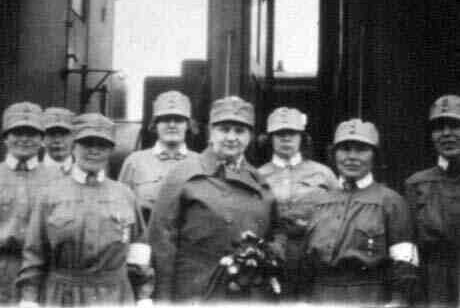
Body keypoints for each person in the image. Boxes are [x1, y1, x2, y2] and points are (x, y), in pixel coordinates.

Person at [148, 96, 277, 303]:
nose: (232, 137)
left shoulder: (259, 181)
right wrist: (163, 298)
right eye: (224, 129)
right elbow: (162, 241)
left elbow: (273, 233)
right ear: (211, 132)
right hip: (196, 290)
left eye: (240, 131)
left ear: (250, 136)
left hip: (246, 292)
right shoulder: (183, 174)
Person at [17, 113, 152, 306]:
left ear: (111, 150)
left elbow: (138, 249)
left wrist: (144, 295)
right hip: (62, 295)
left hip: (114, 295)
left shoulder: (125, 195)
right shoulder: (50, 195)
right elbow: (34, 253)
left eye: (102, 145)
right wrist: (29, 298)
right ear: (73, 146)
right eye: (87, 143)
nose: (94, 151)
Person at [304, 119, 418, 305]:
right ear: (334, 155)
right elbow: (306, 263)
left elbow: (405, 262)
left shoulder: (390, 201)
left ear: (375, 156)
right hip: (322, 295)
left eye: (361, 149)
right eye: (345, 149)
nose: (352, 157)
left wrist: (398, 301)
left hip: (368, 295)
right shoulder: (320, 201)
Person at [0, 102, 61, 305]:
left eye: (32, 133)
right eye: (17, 132)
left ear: (42, 139)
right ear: (5, 138)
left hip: (43, 271)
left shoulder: (59, 180)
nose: (24, 139)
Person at [258, 107, 336, 298]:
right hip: (274, 254)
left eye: (292, 133)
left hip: (314, 253)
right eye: (279, 134)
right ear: (270, 139)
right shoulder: (258, 175)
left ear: (302, 137)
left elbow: (340, 211)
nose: (286, 138)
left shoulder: (323, 174)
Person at [405, 94, 460, 307]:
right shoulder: (416, 184)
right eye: (439, 128)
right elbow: (408, 246)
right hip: (432, 283)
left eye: (455, 125)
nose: (447, 134)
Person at [118, 90, 198, 226]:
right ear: (155, 125)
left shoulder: (200, 163)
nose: (172, 125)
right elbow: (120, 209)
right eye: (165, 119)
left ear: (188, 125)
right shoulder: (135, 162)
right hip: (145, 243)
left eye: (178, 120)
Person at [42, 107, 75, 173]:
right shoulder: (28, 167)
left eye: (64, 134)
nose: (58, 140)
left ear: (74, 137)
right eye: (52, 134)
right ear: (42, 138)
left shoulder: (85, 168)